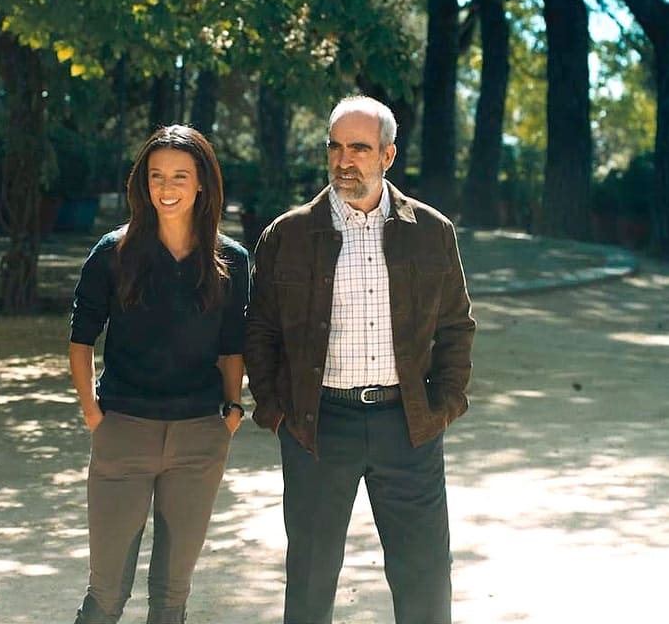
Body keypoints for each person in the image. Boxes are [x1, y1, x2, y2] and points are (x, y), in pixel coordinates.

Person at [245, 95, 475, 624]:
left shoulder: (432, 231)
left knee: (425, 578)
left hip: (408, 424)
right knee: (310, 578)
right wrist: (276, 411)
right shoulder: (288, 234)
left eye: (359, 148)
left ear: (388, 155)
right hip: (318, 425)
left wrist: (443, 406)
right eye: (335, 147)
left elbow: (456, 325)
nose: (343, 160)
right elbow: (261, 331)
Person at [68, 125, 249, 624]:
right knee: (106, 593)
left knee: (171, 597)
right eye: (156, 176)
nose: (166, 188)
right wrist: (92, 412)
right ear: (142, 182)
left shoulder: (231, 260)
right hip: (123, 430)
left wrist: (233, 409)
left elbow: (233, 346)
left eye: (179, 176)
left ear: (202, 183)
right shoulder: (113, 252)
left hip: (200, 437)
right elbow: (81, 338)